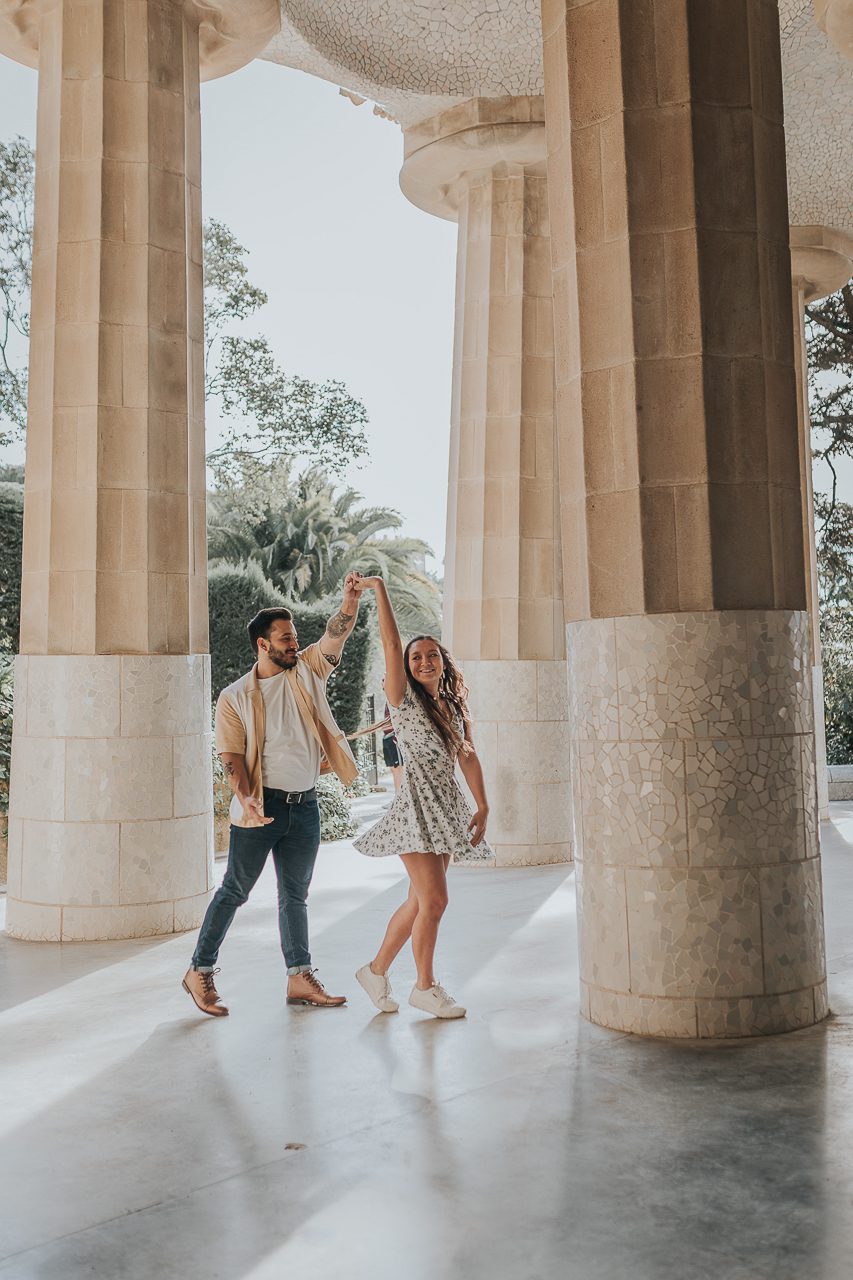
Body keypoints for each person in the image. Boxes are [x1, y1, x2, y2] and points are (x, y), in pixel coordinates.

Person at [182, 576, 362, 1017]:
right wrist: (247, 797)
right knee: (235, 891)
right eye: (285, 639)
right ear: (263, 644)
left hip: (305, 806)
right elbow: (231, 758)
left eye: (295, 637)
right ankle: (198, 970)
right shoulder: (233, 698)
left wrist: (349, 601)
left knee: (295, 895)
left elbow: (335, 633)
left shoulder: (308, 669)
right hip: (261, 811)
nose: (294, 645)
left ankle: (299, 976)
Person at [351, 574, 493, 1020]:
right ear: (408, 665)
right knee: (435, 902)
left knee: (418, 902)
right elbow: (391, 646)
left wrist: (483, 805)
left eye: (432, 655)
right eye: (417, 657)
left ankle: (375, 972)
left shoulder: (452, 706)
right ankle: (425, 987)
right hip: (415, 810)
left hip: (446, 808)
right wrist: (377, 589)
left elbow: (467, 758)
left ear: (444, 663)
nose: (424, 661)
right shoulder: (403, 700)